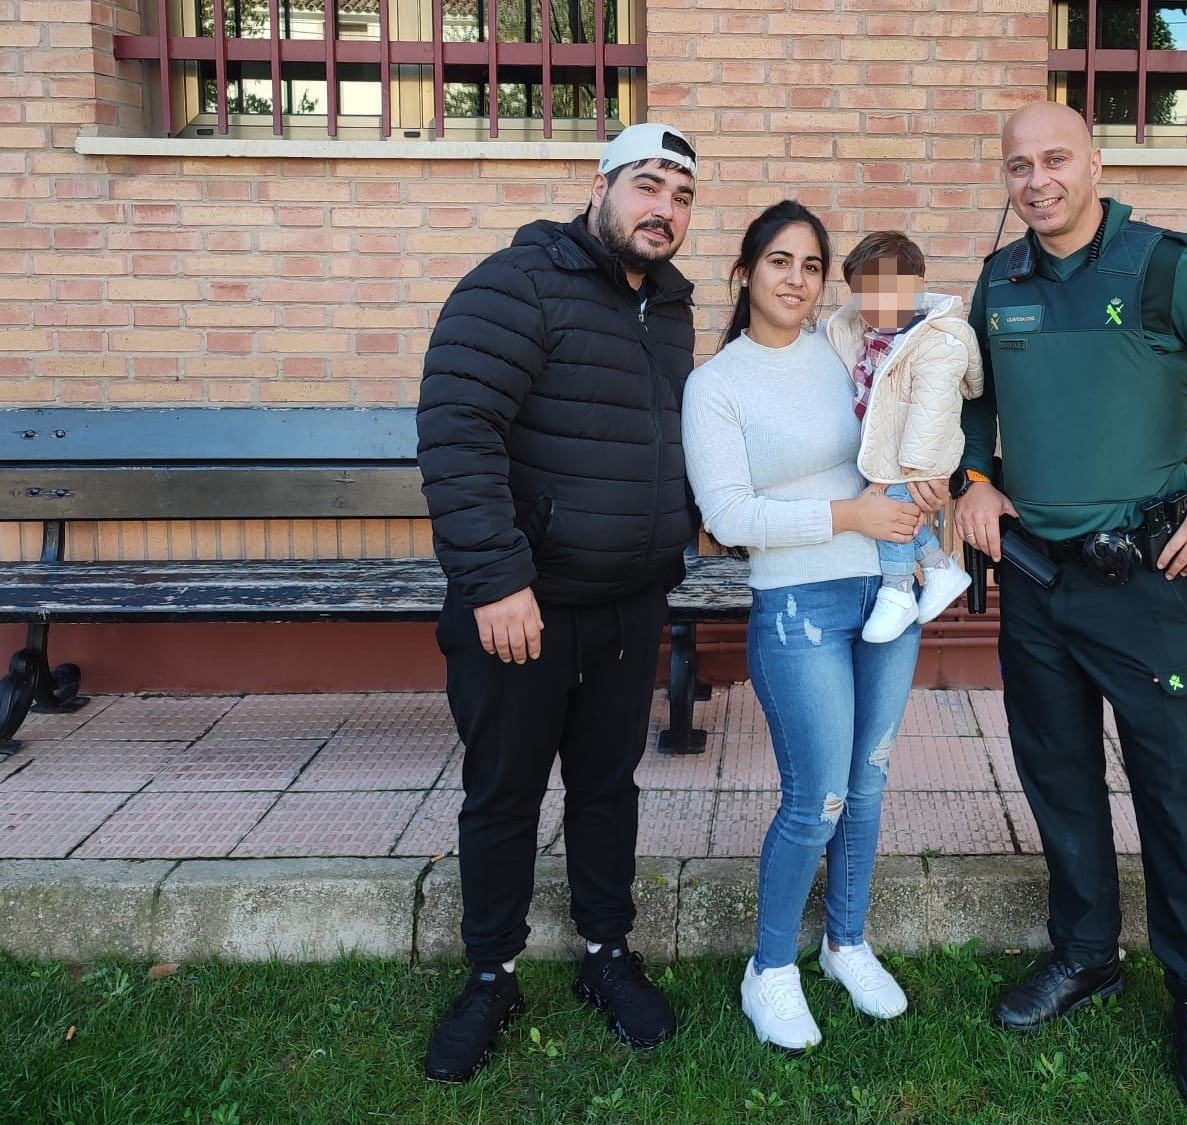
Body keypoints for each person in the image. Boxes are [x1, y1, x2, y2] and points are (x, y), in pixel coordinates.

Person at [950, 101, 1187, 1114]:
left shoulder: (1162, 266)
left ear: (1094, 162)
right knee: (1057, 779)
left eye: (1054, 159)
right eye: (1018, 166)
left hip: (1141, 582)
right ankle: (1084, 955)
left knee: (1167, 790)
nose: (1036, 180)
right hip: (1034, 581)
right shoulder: (999, 278)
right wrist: (974, 475)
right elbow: (970, 393)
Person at [414, 122, 701, 1082]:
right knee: (503, 794)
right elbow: (459, 430)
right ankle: (490, 972)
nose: (665, 209)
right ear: (601, 186)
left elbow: (661, 437)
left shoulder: (669, 309)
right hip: (522, 610)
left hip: (628, 607)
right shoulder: (517, 283)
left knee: (607, 788)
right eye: (648, 186)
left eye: (683, 195)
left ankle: (605, 955)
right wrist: (496, 577)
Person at [683, 201, 930, 1051]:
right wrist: (849, 517)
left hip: (888, 596)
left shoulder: (847, 349)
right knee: (815, 797)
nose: (797, 279)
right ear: (745, 273)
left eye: (813, 265)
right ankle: (770, 967)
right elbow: (727, 513)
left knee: (868, 781)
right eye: (780, 261)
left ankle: (846, 942)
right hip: (798, 607)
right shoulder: (717, 384)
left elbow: (924, 369)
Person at [824, 231, 984, 643]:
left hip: (916, 456)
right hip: (886, 448)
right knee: (890, 508)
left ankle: (896, 591)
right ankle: (937, 565)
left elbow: (930, 414)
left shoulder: (936, 342)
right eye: (864, 294)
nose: (874, 305)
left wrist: (898, 475)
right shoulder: (874, 331)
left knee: (888, 512)